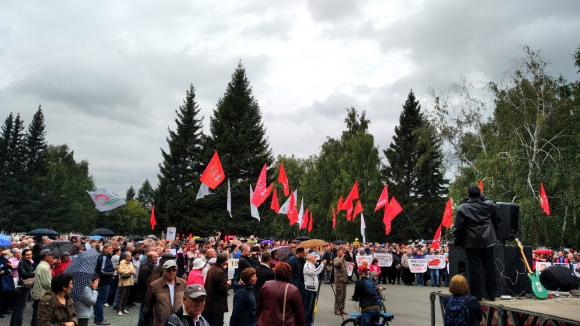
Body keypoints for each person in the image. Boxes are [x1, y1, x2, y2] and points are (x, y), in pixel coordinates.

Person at [453, 185, 498, 301]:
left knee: (474, 268)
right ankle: (491, 294)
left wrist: (457, 241)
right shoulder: (489, 205)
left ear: (468, 194)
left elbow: (458, 227)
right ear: (480, 194)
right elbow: (497, 219)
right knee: (490, 266)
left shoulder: (462, 208)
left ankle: (476, 295)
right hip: (488, 239)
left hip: (471, 241)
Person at [146, 260, 186, 326]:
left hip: (179, 322)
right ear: (164, 270)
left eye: (174, 270)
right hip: (161, 322)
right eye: (168, 270)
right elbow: (149, 304)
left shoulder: (183, 283)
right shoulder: (154, 285)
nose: (171, 272)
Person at [203, 253, 230, 326]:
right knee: (217, 322)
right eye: (226, 260)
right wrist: (228, 284)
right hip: (217, 304)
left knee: (210, 322)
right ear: (224, 261)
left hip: (210, 302)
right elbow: (223, 288)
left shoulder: (212, 269)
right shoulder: (219, 272)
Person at [11, 248, 35, 326]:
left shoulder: (29, 262)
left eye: (30, 254)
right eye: (27, 255)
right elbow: (24, 274)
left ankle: (14, 324)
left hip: (27, 285)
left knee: (19, 307)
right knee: (20, 308)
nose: (29, 256)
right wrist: (34, 273)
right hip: (22, 287)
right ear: (23, 255)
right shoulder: (22, 262)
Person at [31, 249, 55, 326]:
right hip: (43, 296)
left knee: (36, 316)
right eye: (52, 256)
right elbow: (48, 284)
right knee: (41, 317)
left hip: (39, 295)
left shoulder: (43, 265)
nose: (53, 257)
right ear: (46, 257)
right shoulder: (45, 267)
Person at [94, 244, 115, 325]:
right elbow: (102, 270)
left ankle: (99, 319)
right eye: (110, 248)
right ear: (105, 249)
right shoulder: (103, 257)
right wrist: (113, 271)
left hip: (104, 281)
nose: (111, 250)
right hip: (103, 282)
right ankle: (99, 320)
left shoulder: (107, 256)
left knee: (100, 300)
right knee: (100, 301)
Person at [303, 253, 325, 326]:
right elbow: (315, 272)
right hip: (309, 290)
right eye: (314, 258)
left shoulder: (311, 265)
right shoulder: (307, 266)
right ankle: (305, 323)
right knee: (308, 310)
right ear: (309, 259)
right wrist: (322, 265)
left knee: (311, 309)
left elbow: (315, 271)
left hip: (313, 290)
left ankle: (309, 323)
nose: (316, 259)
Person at [138, 251, 158, 326]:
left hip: (148, 293)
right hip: (145, 293)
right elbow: (144, 283)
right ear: (149, 258)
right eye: (154, 257)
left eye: (157, 257)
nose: (156, 259)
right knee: (144, 312)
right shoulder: (145, 268)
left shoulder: (153, 266)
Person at [117, 251, 135, 315]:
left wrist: (130, 271)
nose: (130, 257)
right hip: (123, 281)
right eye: (129, 256)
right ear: (125, 256)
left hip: (130, 281)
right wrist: (129, 272)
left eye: (130, 256)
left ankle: (123, 309)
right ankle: (119, 310)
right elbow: (120, 270)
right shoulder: (122, 262)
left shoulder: (131, 263)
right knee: (122, 296)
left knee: (126, 296)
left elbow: (134, 270)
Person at [0, 249, 16, 319]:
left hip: (4, 280)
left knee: (5, 294)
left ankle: (5, 309)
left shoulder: (4, 259)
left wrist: (5, 270)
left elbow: (10, 268)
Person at [333, 247, 348, 316]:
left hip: (344, 280)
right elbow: (337, 264)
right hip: (339, 280)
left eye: (343, 251)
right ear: (338, 252)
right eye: (342, 251)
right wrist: (342, 258)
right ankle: (337, 310)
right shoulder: (335, 259)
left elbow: (344, 266)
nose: (343, 253)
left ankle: (342, 309)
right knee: (339, 295)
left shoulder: (343, 260)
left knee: (344, 296)